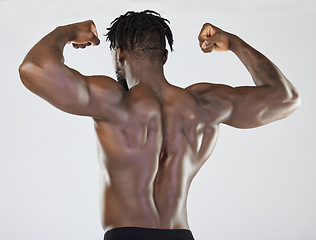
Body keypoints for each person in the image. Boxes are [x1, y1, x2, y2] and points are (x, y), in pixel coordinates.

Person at [19, 10, 300, 240]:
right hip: (180, 235)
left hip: (126, 235)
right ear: (164, 57)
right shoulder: (204, 104)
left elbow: (33, 68)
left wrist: (67, 32)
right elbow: (286, 98)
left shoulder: (113, 101)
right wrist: (234, 42)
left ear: (120, 54)